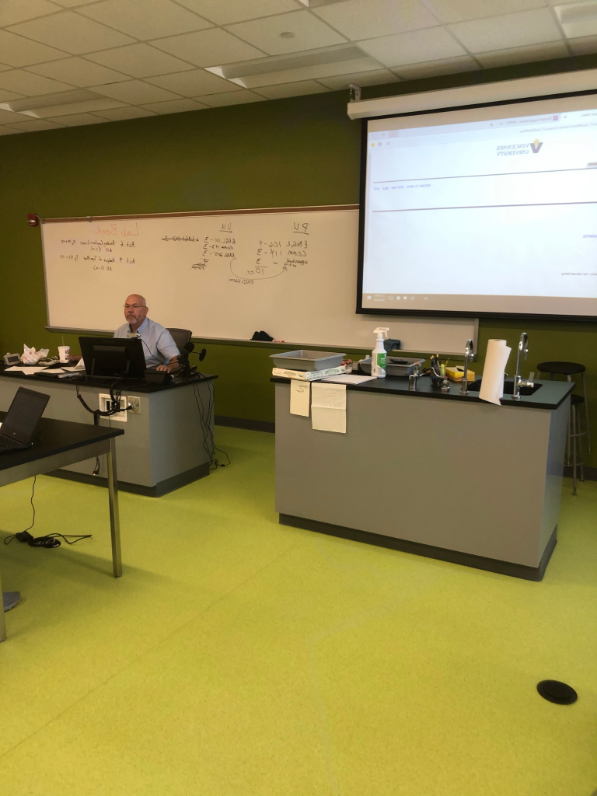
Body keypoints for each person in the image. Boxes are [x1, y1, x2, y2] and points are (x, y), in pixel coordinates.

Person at [114, 294, 179, 373]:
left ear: (145, 311)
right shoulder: (119, 331)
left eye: (135, 306)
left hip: (151, 376)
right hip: (125, 375)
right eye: (127, 306)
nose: (130, 310)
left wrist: (168, 367)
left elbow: (176, 360)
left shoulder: (159, 332)